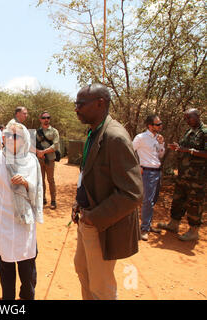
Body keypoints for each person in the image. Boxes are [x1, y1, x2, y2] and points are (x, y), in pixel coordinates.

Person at [72, 83, 143, 300]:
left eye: (80, 104)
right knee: (83, 272)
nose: (76, 109)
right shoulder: (94, 132)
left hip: (101, 225)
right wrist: (78, 203)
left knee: (101, 287)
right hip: (86, 217)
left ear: (100, 103)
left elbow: (132, 193)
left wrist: (94, 217)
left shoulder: (115, 137)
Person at [0, 122, 43, 300]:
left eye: (14, 136)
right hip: (0, 217)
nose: (8, 138)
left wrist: (25, 182)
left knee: (27, 263)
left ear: (24, 139)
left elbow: (38, 188)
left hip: (24, 218)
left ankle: (26, 296)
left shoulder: (31, 160)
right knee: (5, 263)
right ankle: (7, 298)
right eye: (6, 135)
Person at [157, 108, 206, 242]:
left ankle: (193, 231)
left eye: (189, 118)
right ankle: (173, 224)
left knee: (194, 203)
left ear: (197, 116)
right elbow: (184, 148)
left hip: (197, 177)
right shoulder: (189, 132)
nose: (187, 121)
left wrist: (190, 151)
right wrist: (178, 147)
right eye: (185, 118)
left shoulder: (204, 132)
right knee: (178, 199)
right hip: (183, 175)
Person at [132, 114, 166, 241]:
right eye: (158, 124)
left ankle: (148, 224)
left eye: (160, 123)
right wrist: (137, 165)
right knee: (148, 201)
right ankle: (144, 229)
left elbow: (160, 155)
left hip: (157, 171)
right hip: (146, 172)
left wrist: (161, 144)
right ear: (150, 126)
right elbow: (130, 150)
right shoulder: (141, 138)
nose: (160, 126)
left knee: (153, 200)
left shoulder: (159, 138)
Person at [35, 111, 60, 209]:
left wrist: (43, 152)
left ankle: (53, 201)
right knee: (41, 180)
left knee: (50, 180)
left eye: (48, 118)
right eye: (44, 118)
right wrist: (38, 152)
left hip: (50, 159)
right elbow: (33, 144)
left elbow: (56, 145)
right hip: (39, 159)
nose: (46, 120)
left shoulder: (54, 131)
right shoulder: (37, 132)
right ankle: (43, 199)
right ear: (40, 119)